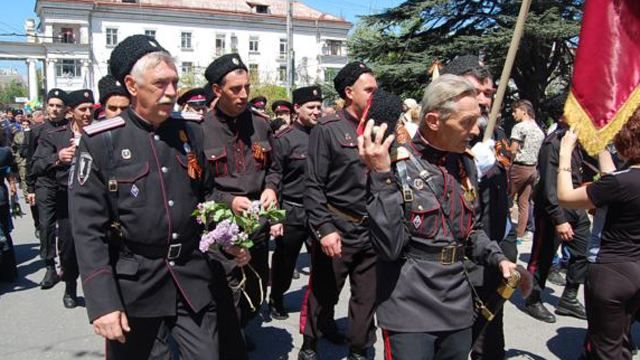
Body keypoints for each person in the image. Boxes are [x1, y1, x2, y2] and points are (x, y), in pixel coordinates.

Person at [69, 35, 246, 359]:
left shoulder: (190, 130)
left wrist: (227, 236)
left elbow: (205, 195)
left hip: (191, 276)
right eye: (160, 83)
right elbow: (87, 231)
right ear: (132, 86)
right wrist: (103, 303)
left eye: (174, 82)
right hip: (136, 283)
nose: (171, 92)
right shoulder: (101, 141)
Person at [360, 74, 516, 360]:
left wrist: (498, 258)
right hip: (409, 304)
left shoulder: (464, 162)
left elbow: (472, 230)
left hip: (457, 302)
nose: (474, 130)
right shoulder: (393, 164)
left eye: (476, 120)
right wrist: (381, 177)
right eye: (466, 122)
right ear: (433, 121)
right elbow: (388, 246)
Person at [300, 61, 378, 360]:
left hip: (372, 230)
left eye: (375, 89)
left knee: (366, 297)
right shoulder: (329, 130)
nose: (374, 94)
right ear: (349, 92)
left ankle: (359, 349)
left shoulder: (378, 129)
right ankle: (310, 345)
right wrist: (325, 229)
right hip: (338, 227)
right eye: (368, 89)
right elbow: (314, 185)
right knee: (324, 292)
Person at [201, 53, 278, 348]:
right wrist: (227, 201)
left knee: (257, 286)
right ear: (217, 91)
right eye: (235, 89)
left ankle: (243, 323)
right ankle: (230, 338)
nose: (244, 94)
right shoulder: (201, 129)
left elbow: (275, 167)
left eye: (247, 86)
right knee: (228, 288)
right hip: (221, 225)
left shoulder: (260, 125)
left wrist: (271, 187)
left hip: (257, 223)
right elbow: (198, 187)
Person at [443, 54, 515, 359]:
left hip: (495, 247)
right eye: (477, 92)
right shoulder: (444, 138)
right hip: (463, 255)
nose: (485, 100)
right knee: (460, 337)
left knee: (491, 334)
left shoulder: (496, 134)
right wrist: (469, 164)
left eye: (489, 92)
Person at [557, 111, 640, 359]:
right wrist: (600, 145)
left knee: (607, 350)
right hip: (635, 268)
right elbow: (612, 179)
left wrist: (565, 153)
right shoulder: (621, 182)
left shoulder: (620, 183)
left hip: (609, 271)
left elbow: (566, 197)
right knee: (620, 338)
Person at [33, 89, 96, 308]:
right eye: (83, 109)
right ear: (71, 112)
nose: (88, 114)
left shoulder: (101, 133)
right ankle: (70, 287)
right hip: (67, 202)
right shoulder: (55, 136)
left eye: (91, 109)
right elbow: (36, 165)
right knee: (68, 248)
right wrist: (57, 158)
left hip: (97, 202)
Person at [265, 86, 322, 320]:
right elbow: (274, 177)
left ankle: (320, 312)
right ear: (297, 109)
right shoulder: (285, 139)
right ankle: (277, 297)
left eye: (319, 107)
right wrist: (275, 218)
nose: (317, 112)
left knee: (324, 266)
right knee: (285, 263)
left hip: (319, 211)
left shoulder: (324, 135)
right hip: (292, 210)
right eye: (311, 107)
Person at [525, 118, 590, 323]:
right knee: (542, 257)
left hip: (575, 207)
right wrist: (559, 219)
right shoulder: (553, 142)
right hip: (553, 209)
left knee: (583, 252)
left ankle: (569, 298)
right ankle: (532, 297)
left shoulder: (578, 141)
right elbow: (548, 186)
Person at [27, 88, 68, 289]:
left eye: (58, 106)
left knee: (67, 227)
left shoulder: (71, 128)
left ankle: (67, 264)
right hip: (44, 183)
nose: (54, 109)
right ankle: (50, 267)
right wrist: (30, 188)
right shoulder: (36, 131)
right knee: (46, 226)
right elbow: (30, 161)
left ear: (65, 109)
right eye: (51, 105)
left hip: (66, 184)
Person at [509, 99, 544, 242]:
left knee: (507, 198)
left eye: (515, 111)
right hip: (532, 169)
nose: (513, 114)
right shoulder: (539, 130)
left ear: (523, 111)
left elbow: (513, 150)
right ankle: (520, 234)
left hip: (519, 167)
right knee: (524, 202)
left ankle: (502, 230)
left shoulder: (519, 127)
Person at [0, 131, 18, 282]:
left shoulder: (4, 152)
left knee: (3, 233)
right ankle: (9, 271)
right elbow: (10, 169)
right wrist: (12, 182)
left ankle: (8, 270)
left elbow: (9, 169)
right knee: (4, 233)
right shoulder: (5, 151)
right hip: (2, 196)